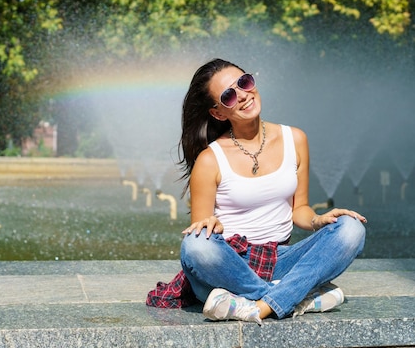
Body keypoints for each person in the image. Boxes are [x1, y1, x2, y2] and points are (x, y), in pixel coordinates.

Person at [150, 58, 366, 325]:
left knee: (351, 227)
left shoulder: (295, 139)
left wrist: (316, 220)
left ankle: (257, 305)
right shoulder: (210, 160)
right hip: (230, 267)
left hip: (279, 259)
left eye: (244, 82)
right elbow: (200, 229)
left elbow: (300, 208)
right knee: (195, 246)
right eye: (228, 96)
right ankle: (294, 297)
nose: (242, 95)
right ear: (218, 112)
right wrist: (212, 224)